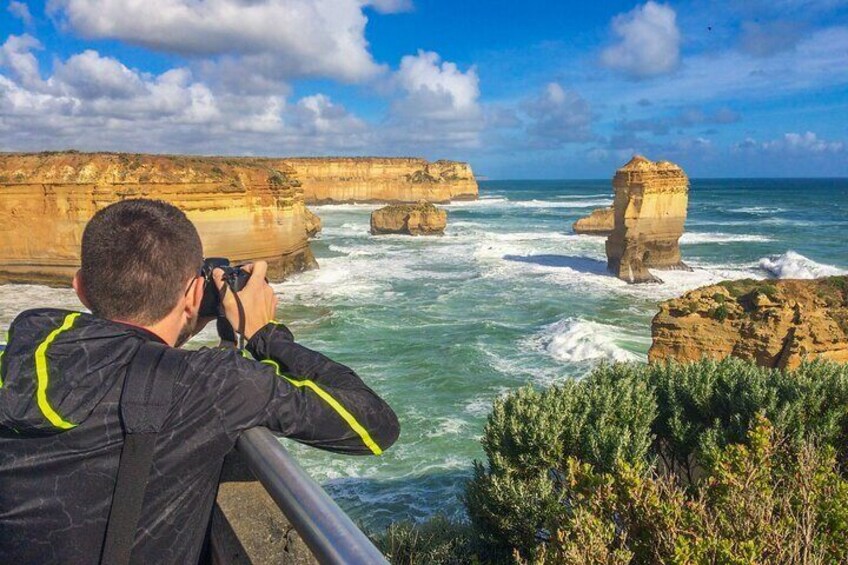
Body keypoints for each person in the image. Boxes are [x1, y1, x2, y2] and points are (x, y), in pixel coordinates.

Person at [0, 199, 399, 563]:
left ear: (80, 288)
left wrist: (181, 321)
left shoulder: (15, 356)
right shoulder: (211, 385)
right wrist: (265, 334)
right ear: (193, 293)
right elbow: (374, 425)